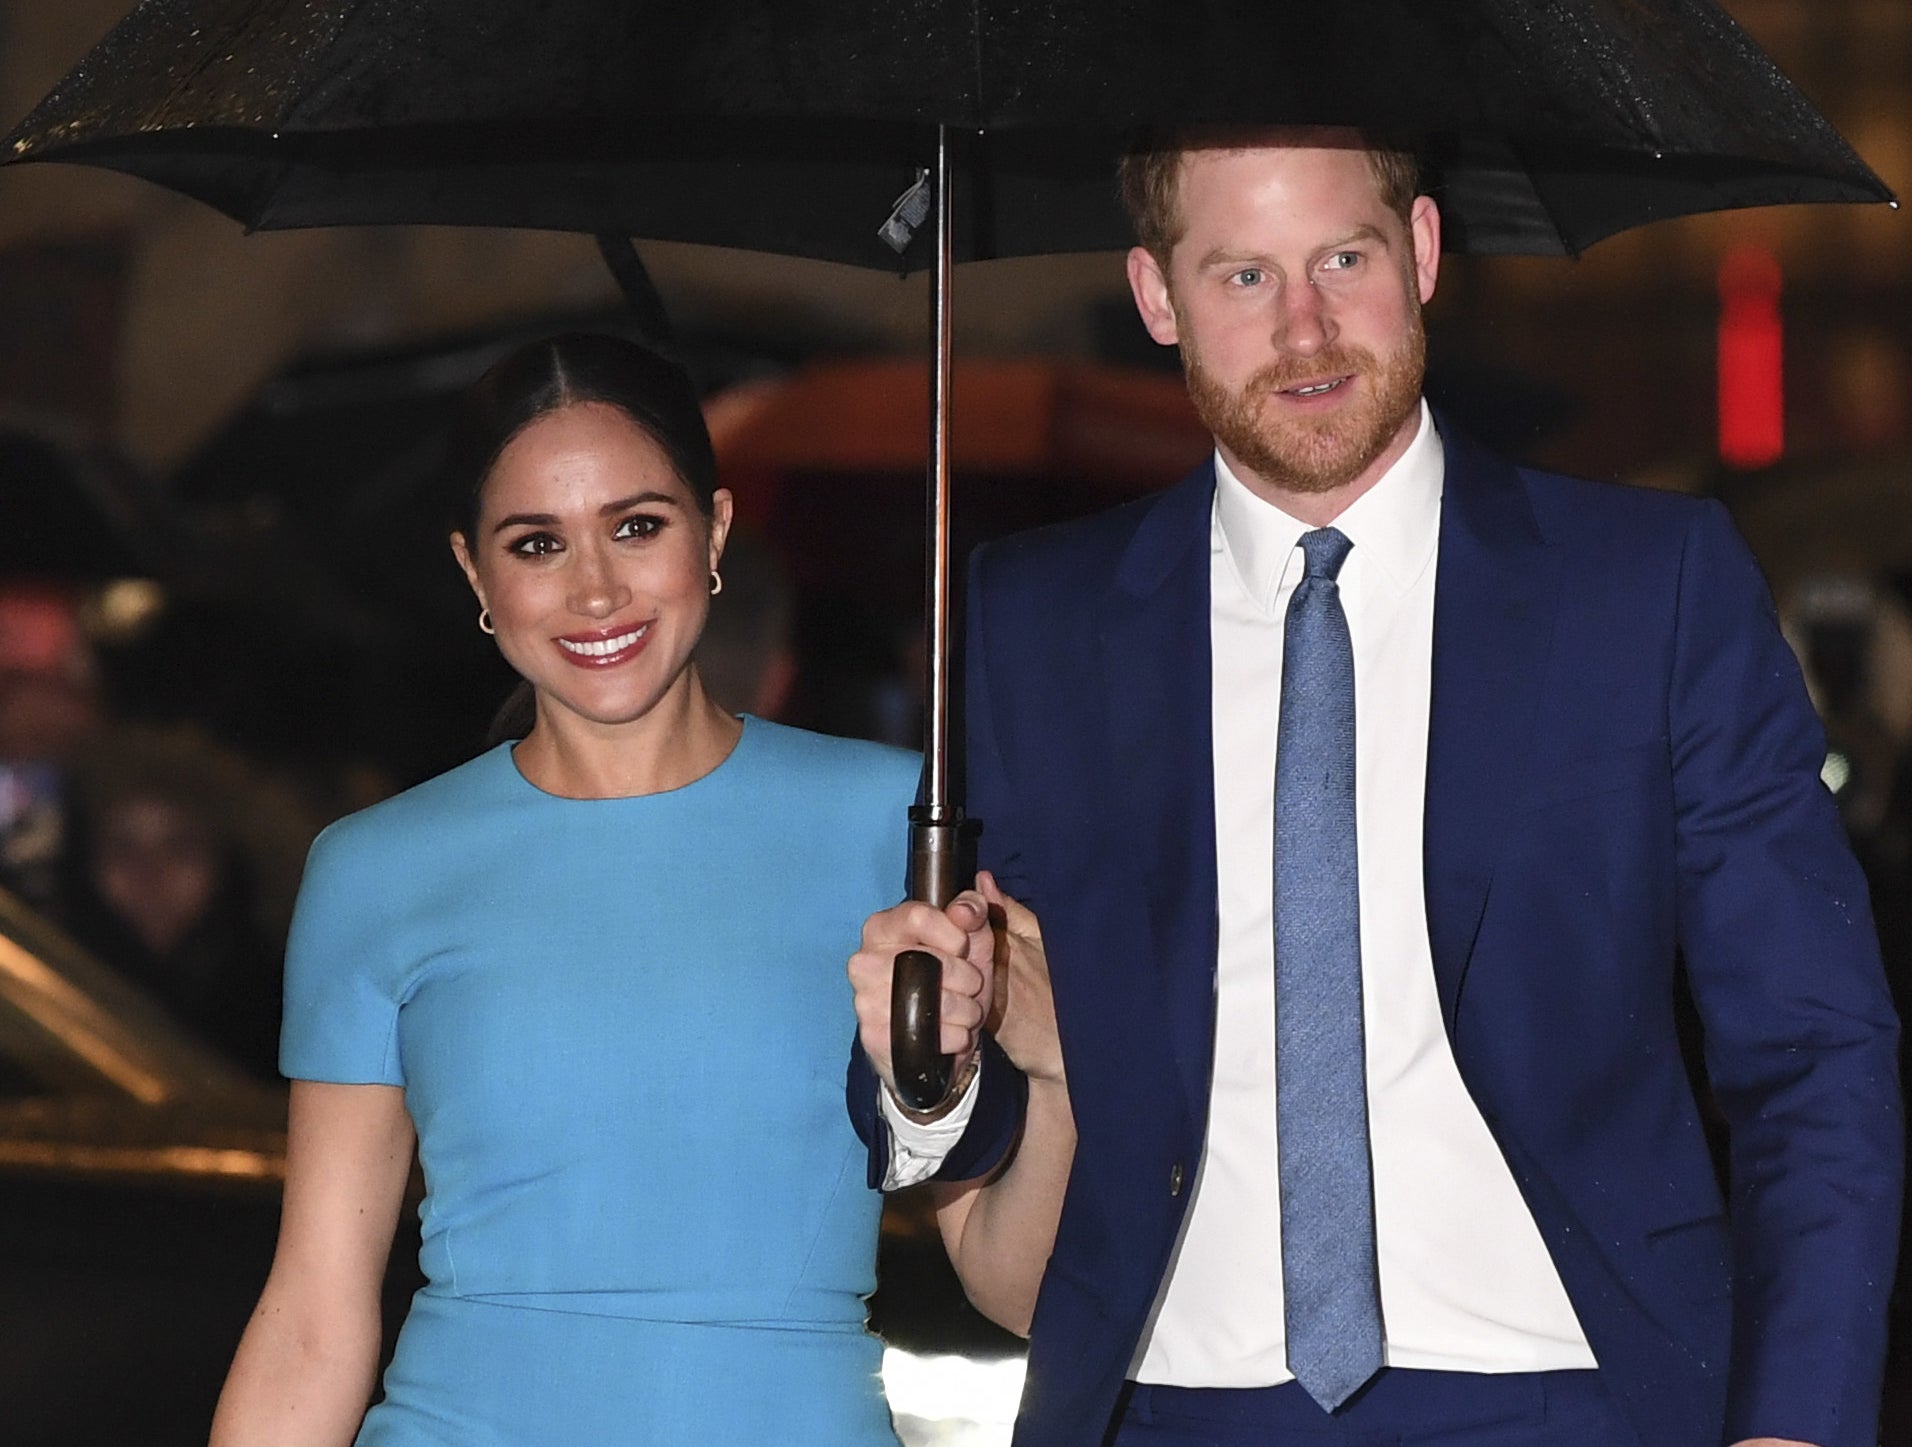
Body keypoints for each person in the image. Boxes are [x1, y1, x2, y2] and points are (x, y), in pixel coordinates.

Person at [847, 129, 1903, 1447]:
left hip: (1573, 1392)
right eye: (1241, 275)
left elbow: (1815, 1052)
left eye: (1343, 257)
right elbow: (1002, 1087)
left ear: (1421, 251)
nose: (1305, 329)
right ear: (1155, 294)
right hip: (1169, 1402)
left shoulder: (1647, 587)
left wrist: (1795, 1423)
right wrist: (934, 1056)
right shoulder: (1039, 619)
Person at [212, 333, 921, 1446]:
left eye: (636, 526)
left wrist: (1050, 1053)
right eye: (537, 543)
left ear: (716, 532)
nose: (595, 589)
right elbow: (313, 1311)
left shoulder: (898, 824)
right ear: (474, 575)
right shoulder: (375, 868)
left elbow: (1019, 1256)